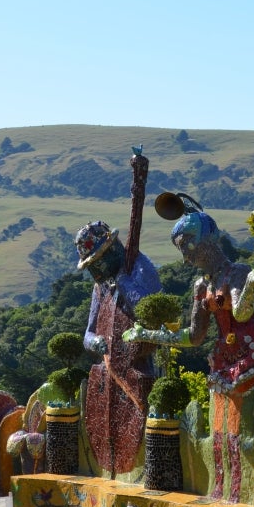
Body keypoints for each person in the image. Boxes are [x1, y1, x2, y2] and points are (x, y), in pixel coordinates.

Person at [123, 206, 254, 503]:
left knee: (246, 429)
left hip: (252, 354)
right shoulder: (202, 285)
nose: (186, 258)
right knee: (220, 432)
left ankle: (253, 492)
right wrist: (148, 334)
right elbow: (194, 336)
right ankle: (227, 490)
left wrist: (250, 286)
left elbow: (243, 313)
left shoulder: (238, 273)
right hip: (223, 361)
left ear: (206, 241)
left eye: (188, 247)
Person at [76, 148, 162, 475]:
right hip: (107, 371)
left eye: (98, 264)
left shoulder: (138, 268)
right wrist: (93, 343)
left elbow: (152, 309)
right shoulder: (100, 287)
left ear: (112, 251)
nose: (94, 273)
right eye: (91, 267)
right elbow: (88, 333)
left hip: (137, 367)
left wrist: (125, 284)